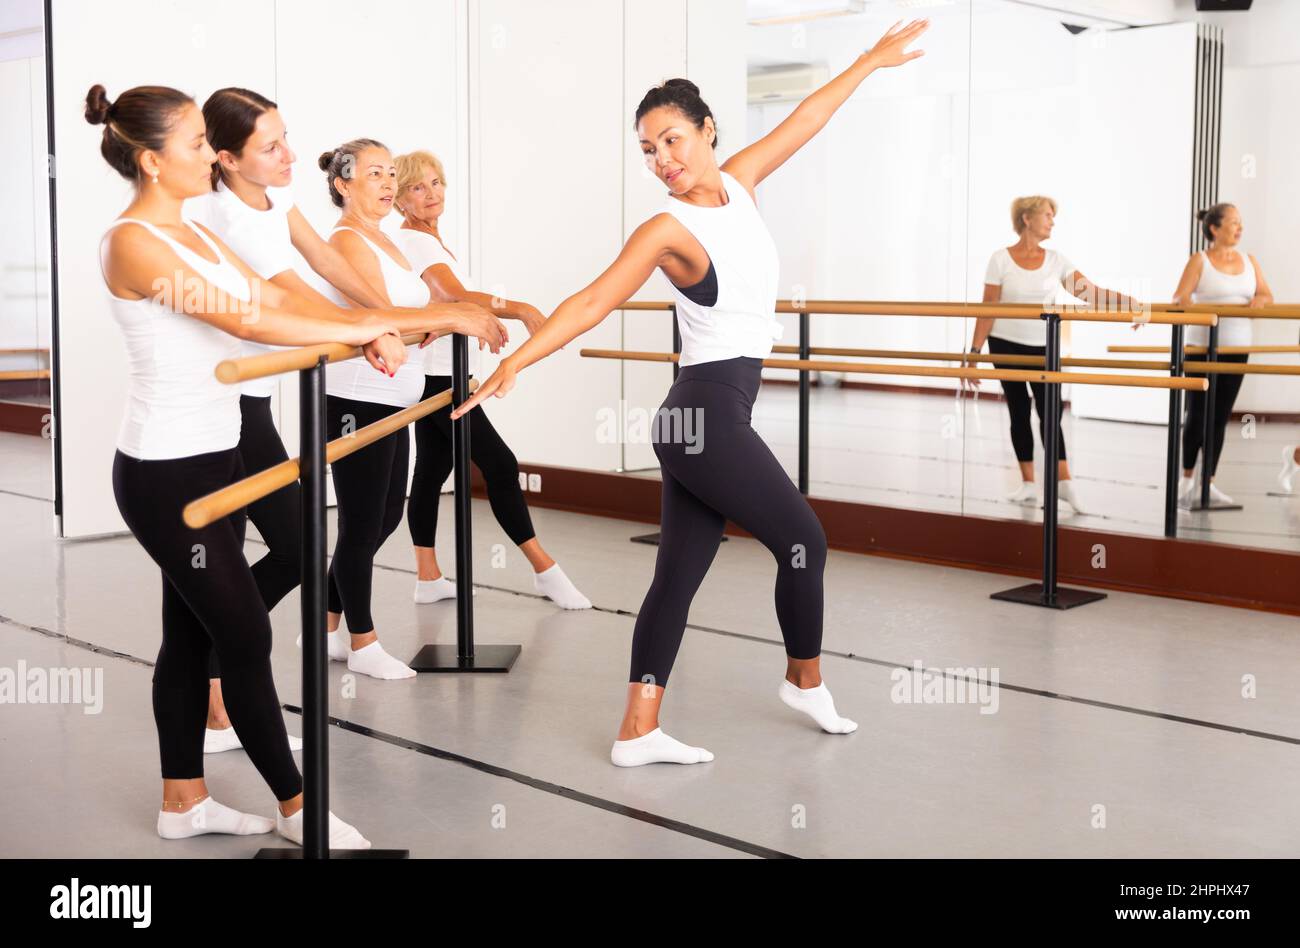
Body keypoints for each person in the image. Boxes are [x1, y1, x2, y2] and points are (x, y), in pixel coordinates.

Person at [454, 19, 935, 766]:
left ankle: (636, 731)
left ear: (707, 132)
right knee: (804, 541)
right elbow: (589, 303)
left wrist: (870, 61)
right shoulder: (664, 228)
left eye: (673, 140)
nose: (662, 160)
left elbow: (811, 117)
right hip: (704, 416)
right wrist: (522, 360)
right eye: (648, 149)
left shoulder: (740, 184)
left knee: (676, 576)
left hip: (699, 418)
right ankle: (804, 679)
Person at [86, 82, 428, 847]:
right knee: (243, 637)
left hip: (220, 458)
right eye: (195, 145)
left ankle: (184, 802)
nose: (210, 155)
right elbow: (246, 319)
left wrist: (368, 326)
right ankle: (299, 809)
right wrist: (371, 327)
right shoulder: (132, 242)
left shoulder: (197, 234)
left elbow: (277, 298)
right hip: (166, 475)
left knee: (188, 635)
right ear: (150, 160)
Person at [193, 88, 506, 745]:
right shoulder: (230, 219)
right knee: (284, 549)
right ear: (226, 158)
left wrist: (376, 321)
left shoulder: (277, 205)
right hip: (215, 408)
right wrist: (404, 322)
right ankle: (227, 687)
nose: (291, 154)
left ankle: (220, 685)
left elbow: (329, 267)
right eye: (272, 145)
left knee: (299, 547)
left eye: (286, 138)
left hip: (250, 408)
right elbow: (302, 296)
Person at [392, 149, 590, 610]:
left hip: (442, 370)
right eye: (418, 188)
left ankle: (427, 577)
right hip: (438, 378)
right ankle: (545, 570)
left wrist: (467, 319)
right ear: (400, 200)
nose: (431, 193)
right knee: (500, 463)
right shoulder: (416, 242)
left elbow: (444, 305)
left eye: (436, 182)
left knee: (431, 470)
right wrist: (518, 308)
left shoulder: (430, 241)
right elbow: (454, 295)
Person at [967, 196, 1139, 516]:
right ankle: (1028, 483)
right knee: (1018, 411)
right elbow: (987, 308)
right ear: (1027, 218)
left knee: (1050, 413)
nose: (1052, 221)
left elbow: (1092, 293)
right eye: (1047, 215)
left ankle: (1064, 483)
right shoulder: (1000, 259)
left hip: (1044, 345)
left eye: (1053, 216)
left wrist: (1131, 303)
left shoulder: (1057, 260)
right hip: (1004, 344)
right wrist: (974, 352)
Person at [1169, 203, 1273, 507]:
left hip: (1236, 348)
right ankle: (1186, 479)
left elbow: (1267, 294)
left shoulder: (1249, 260)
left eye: (1241, 223)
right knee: (1197, 415)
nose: (1239, 228)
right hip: (1201, 349)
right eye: (1233, 223)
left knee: (1219, 417)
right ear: (1214, 228)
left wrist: (1259, 301)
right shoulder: (1199, 261)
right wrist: (1191, 305)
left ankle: (1208, 483)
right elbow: (1180, 297)